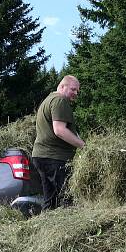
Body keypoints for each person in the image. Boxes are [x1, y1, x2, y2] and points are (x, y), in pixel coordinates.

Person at [32, 75, 86, 210]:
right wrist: (83, 146)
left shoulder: (48, 100)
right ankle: (69, 228)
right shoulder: (60, 100)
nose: (75, 93)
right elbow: (60, 130)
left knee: (50, 201)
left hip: (41, 156)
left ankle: (46, 229)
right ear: (62, 86)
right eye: (73, 89)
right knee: (67, 199)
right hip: (55, 158)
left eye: (77, 91)